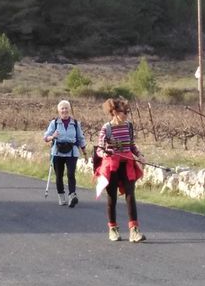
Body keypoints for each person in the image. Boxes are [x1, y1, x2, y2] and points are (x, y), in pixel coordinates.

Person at [94, 98, 146, 243]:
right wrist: (104, 153)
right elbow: (99, 149)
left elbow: (131, 145)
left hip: (127, 163)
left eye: (128, 112)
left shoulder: (128, 126)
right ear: (115, 112)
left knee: (130, 195)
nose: (127, 114)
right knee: (112, 198)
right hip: (111, 165)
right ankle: (113, 229)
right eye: (125, 112)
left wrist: (140, 155)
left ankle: (134, 230)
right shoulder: (107, 128)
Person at [43, 100, 88, 208]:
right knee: (59, 175)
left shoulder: (75, 123)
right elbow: (45, 138)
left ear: (69, 110)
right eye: (62, 108)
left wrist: (85, 153)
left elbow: (81, 138)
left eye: (66, 108)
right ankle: (61, 196)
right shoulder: (54, 123)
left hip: (72, 152)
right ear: (59, 111)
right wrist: (52, 136)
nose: (64, 110)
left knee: (71, 174)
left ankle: (72, 195)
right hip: (57, 152)